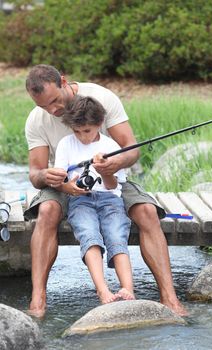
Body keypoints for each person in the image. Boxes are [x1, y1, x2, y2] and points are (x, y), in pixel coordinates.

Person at [24, 64, 187, 318]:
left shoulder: (102, 98)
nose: (52, 110)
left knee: (146, 210)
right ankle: (38, 300)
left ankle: (170, 298)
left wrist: (114, 164)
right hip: (62, 183)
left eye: (55, 101)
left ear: (64, 82)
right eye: (43, 106)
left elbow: (131, 149)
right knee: (46, 210)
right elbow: (35, 174)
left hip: (110, 179)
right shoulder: (37, 119)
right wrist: (48, 175)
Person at [54, 95, 135, 304]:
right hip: (80, 201)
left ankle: (128, 288)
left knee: (117, 235)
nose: (82, 137)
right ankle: (102, 290)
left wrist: (106, 170)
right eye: (77, 131)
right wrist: (69, 187)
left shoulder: (111, 145)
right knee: (89, 235)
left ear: (99, 124)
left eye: (87, 131)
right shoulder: (66, 144)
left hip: (110, 199)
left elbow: (113, 185)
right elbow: (61, 179)